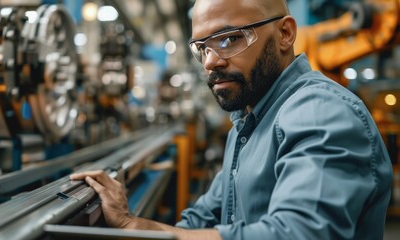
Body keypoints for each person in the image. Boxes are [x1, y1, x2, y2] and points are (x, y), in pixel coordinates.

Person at [70, 0, 393, 239]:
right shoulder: (248, 122)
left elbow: (297, 234)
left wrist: (134, 225)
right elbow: (205, 215)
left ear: (284, 33)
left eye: (229, 39)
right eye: (202, 47)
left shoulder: (320, 111)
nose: (211, 62)